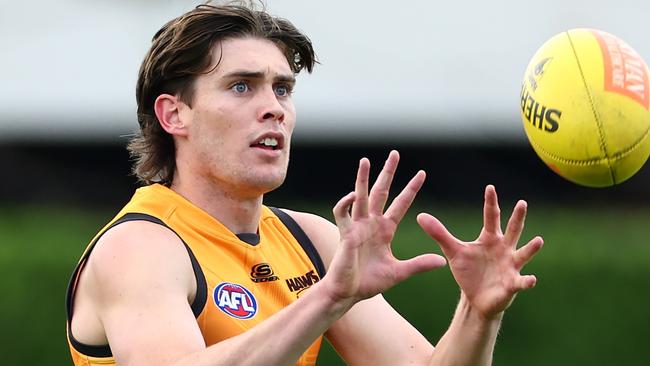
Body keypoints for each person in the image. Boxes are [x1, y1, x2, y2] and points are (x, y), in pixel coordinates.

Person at [65, 2, 544, 365]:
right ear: (174, 114)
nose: (273, 106)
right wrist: (328, 298)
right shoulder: (139, 246)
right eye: (241, 86)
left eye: (283, 88)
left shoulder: (309, 239)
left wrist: (478, 313)